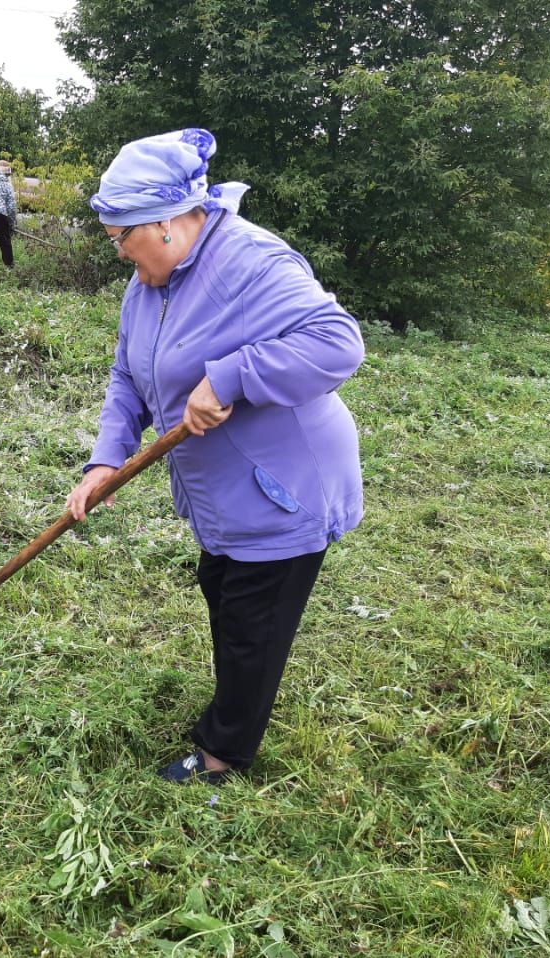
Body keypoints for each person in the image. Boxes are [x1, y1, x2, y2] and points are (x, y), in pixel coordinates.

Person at [66, 129, 365, 785]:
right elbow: (127, 378)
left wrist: (231, 376)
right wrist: (103, 463)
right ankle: (236, 705)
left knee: (251, 626)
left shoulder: (251, 263)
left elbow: (339, 343)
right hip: (226, 488)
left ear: (169, 222)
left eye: (123, 235)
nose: (117, 250)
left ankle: (222, 754)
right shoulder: (153, 282)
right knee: (224, 594)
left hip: (284, 484)